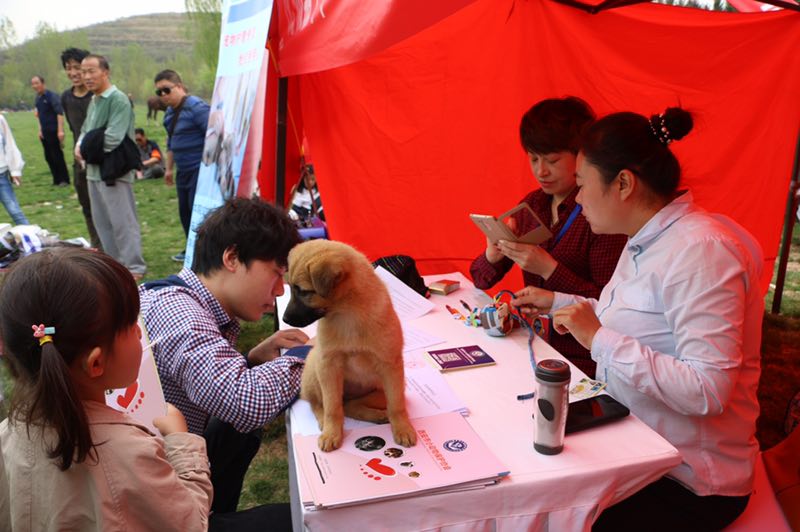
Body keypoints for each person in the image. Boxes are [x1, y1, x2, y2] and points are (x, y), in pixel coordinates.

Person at [512, 107, 762, 530]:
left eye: (583, 186)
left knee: (546, 516)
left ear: (624, 184)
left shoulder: (701, 252)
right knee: (528, 473)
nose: (579, 199)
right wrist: (555, 301)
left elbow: (709, 390)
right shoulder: (645, 237)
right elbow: (624, 318)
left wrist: (599, 340)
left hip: (689, 480)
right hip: (636, 443)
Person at [0, 247, 212, 530]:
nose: (140, 331)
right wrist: (180, 439)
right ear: (96, 363)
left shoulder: (6, 436)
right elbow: (191, 524)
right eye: (130, 325)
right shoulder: (129, 452)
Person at [139, 197, 309, 517]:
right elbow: (246, 401)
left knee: (240, 431)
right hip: (154, 504)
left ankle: (218, 513)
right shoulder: (178, 313)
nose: (279, 291)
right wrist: (315, 355)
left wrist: (252, 362)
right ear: (232, 257)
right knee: (300, 522)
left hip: (169, 461)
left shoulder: (182, 299)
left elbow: (223, 388)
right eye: (275, 273)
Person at [469, 97, 626, 377]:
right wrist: (492, 255)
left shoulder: (603, 215)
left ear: (581, 156)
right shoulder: (535, 204)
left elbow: (612, 305)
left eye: (552, 160)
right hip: (536, 344)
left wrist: (548, 269)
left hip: (585, 359)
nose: (541, 171)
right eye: (533, 158)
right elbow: (481, 280)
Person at [74, 54, 146, 280]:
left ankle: (134, 267)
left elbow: (113, 138)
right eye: (83, 72)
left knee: (122, 221)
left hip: (114, 170)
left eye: (91, 71)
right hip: (93, 171)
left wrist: (85, 150)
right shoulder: (94, 101)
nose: (86, 76)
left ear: (105, 72)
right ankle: (115, 266)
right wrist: (80, 145)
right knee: (102, 222)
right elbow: (85, 131)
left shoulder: (118, 99)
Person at [154, 69, 210, 263]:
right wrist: (169, 169)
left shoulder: (197, 108)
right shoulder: (169, 114)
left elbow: (213, 136)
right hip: (182, 171)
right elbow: (171, 142)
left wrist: (209, 168)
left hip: (199, 170)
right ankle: (191, 248)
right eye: (159, 92)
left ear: (179, 86)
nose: (163, 96)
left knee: (199, 212)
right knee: (184, 211)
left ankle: (203, 252)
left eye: (166, 90)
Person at [60, 47, 102, 250]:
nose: (73, 73)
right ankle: (97, 246)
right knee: (87, 207)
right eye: (68, 68)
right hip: (79, 161)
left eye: (77, 67)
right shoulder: (66, 98)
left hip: (102, 160)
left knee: (105, 207)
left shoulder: (98, 97)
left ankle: (113, 248)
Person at [30, 75, 70, 187]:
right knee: (49, 156)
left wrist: (60, 131)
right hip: (45, 132)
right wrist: (40, 130)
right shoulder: (37, 98)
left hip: (54, 130)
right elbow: (38, 115)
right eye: (33, 84)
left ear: (43, 83)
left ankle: (64, 180)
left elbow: (59, 113)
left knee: (57, 155)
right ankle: (56, 179)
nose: (35, 86)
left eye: (37, 83)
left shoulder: (52, 96)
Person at [0, 114, 30, 225]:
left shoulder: (0, 120)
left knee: (15, 212)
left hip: (1, 175)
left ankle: (30, 240)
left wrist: (15, 170)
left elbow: (9, 144)